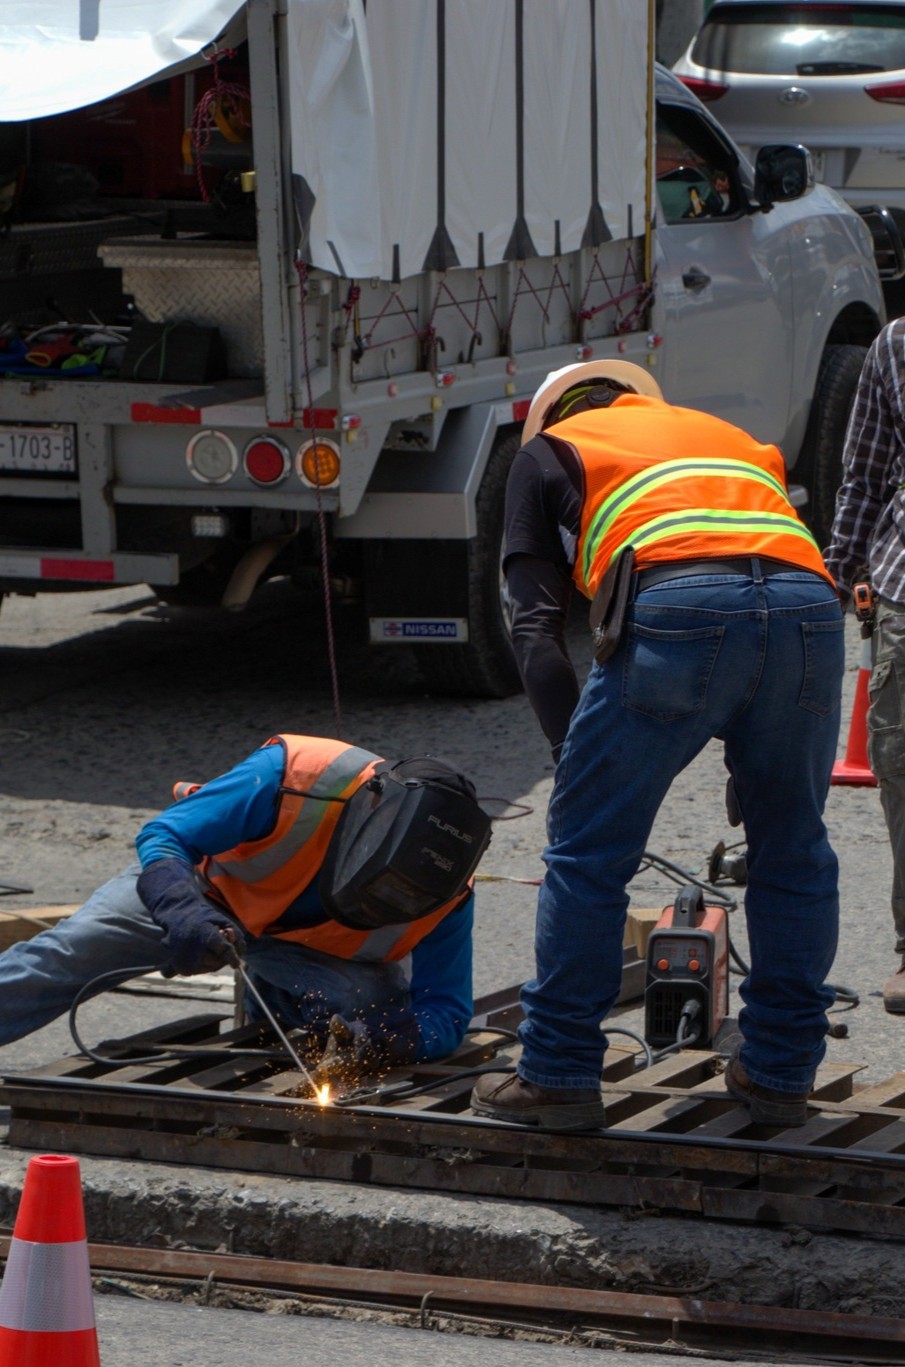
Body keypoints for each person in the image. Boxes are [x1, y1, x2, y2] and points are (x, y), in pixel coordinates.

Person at [471, 360, 844, 1131]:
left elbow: (535, 629)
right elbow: (762, 580)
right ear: (639, 399)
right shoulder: (728, 438)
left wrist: (569, 754)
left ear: (552, 415)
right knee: (793, 847)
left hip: (680, 603)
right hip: (810, 606)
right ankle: (779, 1071)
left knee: (586, 854)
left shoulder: (548, 452)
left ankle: (557, 1071)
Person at [0, 734, 491, 1087]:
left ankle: (273, 1019)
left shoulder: (447, 894)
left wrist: (389, 1037)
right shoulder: (301, 773)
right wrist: (181, 911)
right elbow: (164, 835)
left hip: (306, 953)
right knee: (69, 952)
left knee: (368, 999)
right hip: (203, 897)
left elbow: (446, 1012)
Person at [823, 318, 905, 1013]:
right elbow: (866, 473)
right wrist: (833, 571)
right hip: (904, 587)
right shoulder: (896, 345)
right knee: (901, 767)